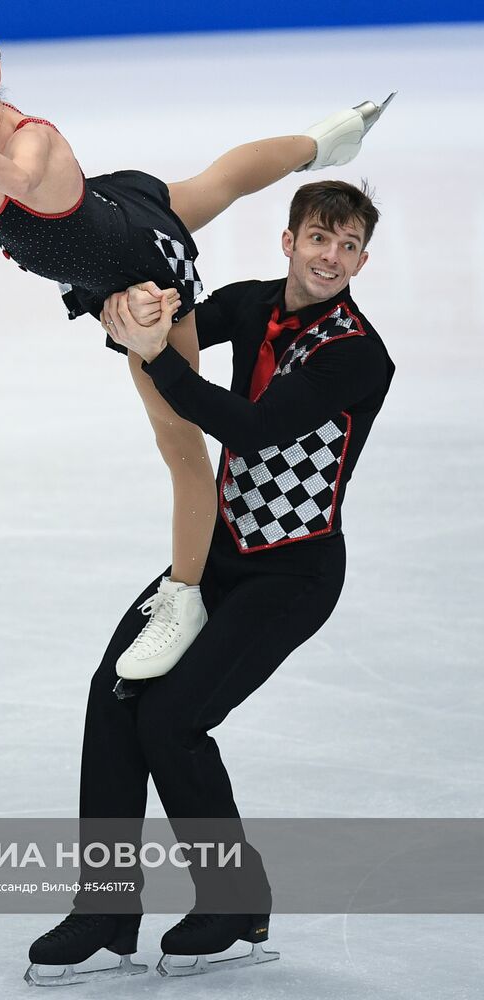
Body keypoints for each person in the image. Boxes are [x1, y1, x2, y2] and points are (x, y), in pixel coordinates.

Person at [0, 15, 393, 676]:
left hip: (141, 275)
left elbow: (16, 178)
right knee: (217, 183)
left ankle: (185, 597)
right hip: (115, 212)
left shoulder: (30, 140)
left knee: (177, 440)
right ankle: (324, 141)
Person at [25, 179, 396, 985]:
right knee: (113, 692)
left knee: (172, 722)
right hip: (216, 550)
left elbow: (252, 428)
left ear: (362, 257)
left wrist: (156, 357)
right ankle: (105, 908)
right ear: (289, 240)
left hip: (290, 573)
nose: (330, 257)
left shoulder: (358, 355)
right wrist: (117, 294)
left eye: (347, 246)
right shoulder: (255, 304)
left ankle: (233, 901)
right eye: (318, 239)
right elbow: (181, 320)